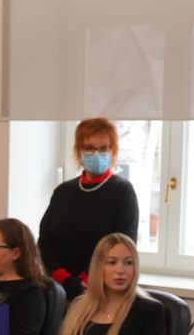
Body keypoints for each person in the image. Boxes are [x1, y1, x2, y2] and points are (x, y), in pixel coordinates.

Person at [37, 118, 140, 303]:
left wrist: (87, 279)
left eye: (103, 148)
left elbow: (124, 244)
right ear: (79, 150)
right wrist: (64, 278)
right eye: (89, 148)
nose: (96, 154)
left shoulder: (123, 191)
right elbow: (45, 240)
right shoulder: (63, 191)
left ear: (113, 151)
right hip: (60, 291)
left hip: (102, 292)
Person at [53, 232, 165, 335]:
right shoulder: (79, 307)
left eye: (128, 263)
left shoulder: (149, 312)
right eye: (112, 262)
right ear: (98, 267)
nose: (120, 270)